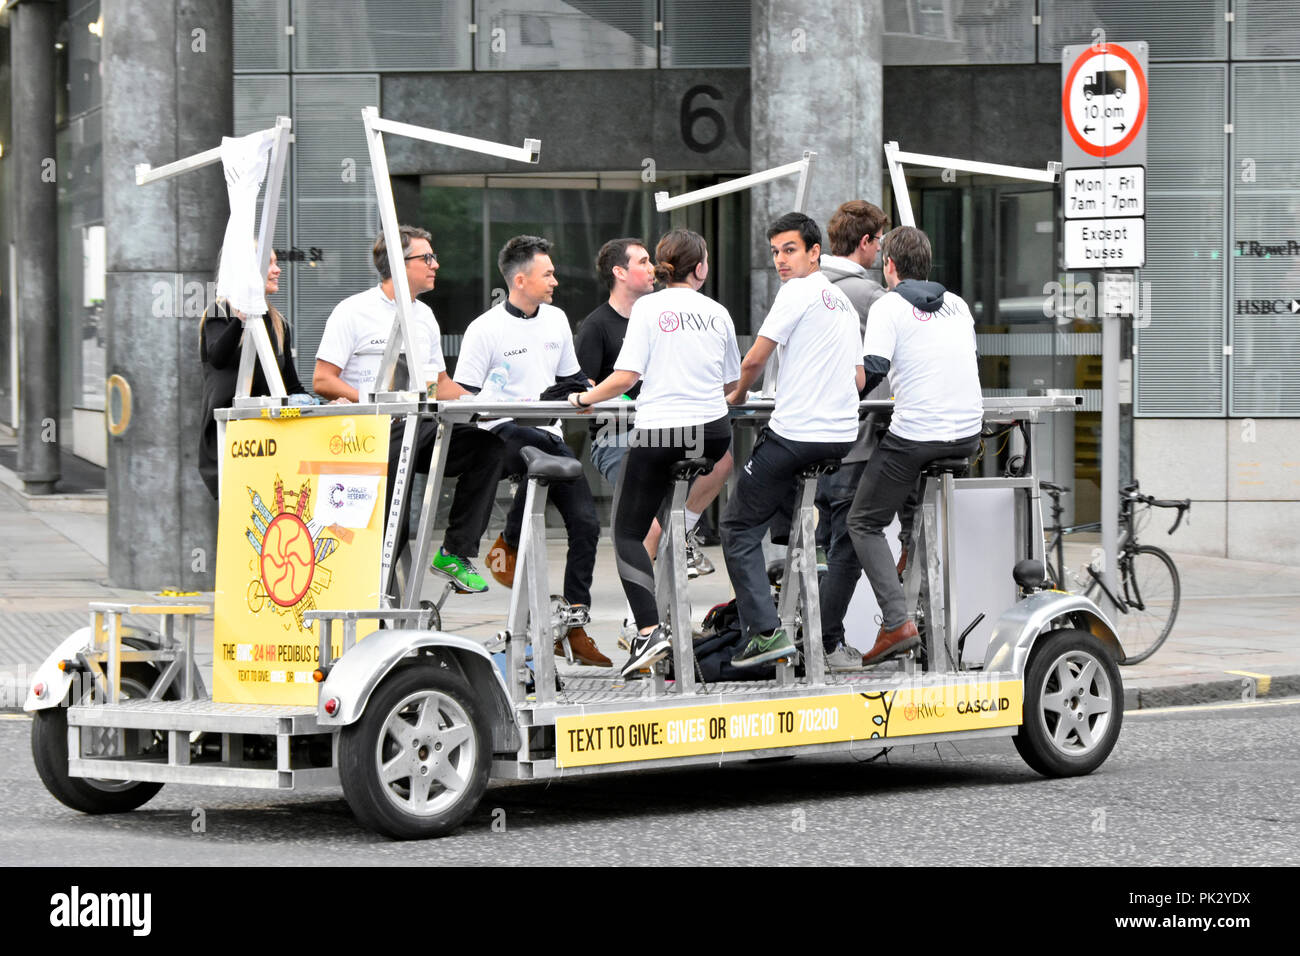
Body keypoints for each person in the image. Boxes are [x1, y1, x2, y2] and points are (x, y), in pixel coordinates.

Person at [568, 229, 739, 678]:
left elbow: (625, 377)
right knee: (668, 512)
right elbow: (729, 385)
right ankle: (680, 535)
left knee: (625, 531)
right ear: (700, 268)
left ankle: (647, 629)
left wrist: (584, 401)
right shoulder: (718, 312)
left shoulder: (648, 308)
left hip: (662, 433)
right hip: (713, 435)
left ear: (663, 267)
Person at [312, 225, 505, 595]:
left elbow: (440, 384)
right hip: (368, 431)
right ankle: (376, 599)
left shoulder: (425, 316)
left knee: (487, 447)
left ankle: (454, 552)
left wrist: (482, 403)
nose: (436, 264)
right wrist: (370, 401)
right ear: (399, 265)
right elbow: (323, 380)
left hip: (416, 426)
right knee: (390, 526)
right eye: (427, 257)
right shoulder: (352, 311)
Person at [456, 235, 610, 668]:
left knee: (586, 525)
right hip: (500, 435)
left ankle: (575, 626)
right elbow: (463, 396)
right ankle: (507, 539)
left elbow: (573, 378)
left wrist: (600, 390)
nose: (556, 281)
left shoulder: (558, 319)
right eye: (548, 274)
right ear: (519, 280)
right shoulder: (485, 329)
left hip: (548, 435)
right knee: (536, 447)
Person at [721, 212, 864, 668]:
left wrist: (736, 396)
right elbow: (859, 377)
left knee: (737, 526)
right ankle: (814, 546)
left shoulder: (796, 292)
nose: (781, 260)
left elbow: (753, 360)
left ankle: (765, 634)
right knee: (777, 470)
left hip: (800, 434)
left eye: (790, 250)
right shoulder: (839, 300)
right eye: (776, 252)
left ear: (814, 251)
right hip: (840, 439)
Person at [847, 225, 984, 665]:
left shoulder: (889, 305)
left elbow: (870, 373)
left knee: (863, 521)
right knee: (901, 464)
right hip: (967, 436)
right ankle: (910, 543)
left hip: (919, 434)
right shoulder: (958, 305)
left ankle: (897, 622)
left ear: (889, 266)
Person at [814, 200, 891, 669]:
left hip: (805, 438)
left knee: (823, 542)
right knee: (848, 544)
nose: (881, 249)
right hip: (855, 442)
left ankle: (815, 636)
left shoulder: (805, 287)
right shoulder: (871, 297)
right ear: (864, 243)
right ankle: (824, 641)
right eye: (879, 240)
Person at [199, 249, 307, 500]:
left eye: (276, 263)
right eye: (269, 263)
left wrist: (323, 405)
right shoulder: (219, 312)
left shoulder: (277, 322)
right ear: (247, 271)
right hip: (232, 442)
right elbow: (218, 357)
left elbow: (290, 386)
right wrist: (241, 319)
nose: (277, 270)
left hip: (271, 441)